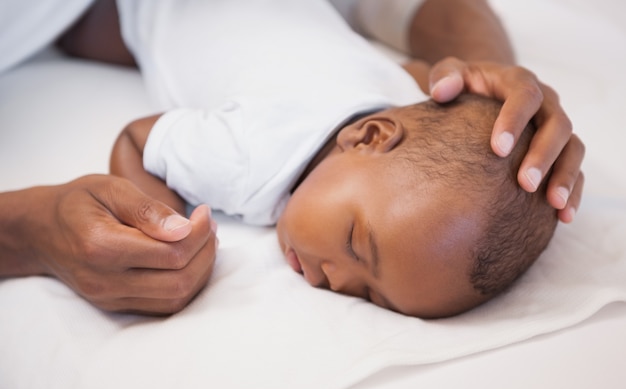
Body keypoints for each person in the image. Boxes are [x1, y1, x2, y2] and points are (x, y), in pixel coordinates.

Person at [0, 0, 584, 315]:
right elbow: (139, 140)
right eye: (356, 245)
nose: (336, 279)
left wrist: (492, 113)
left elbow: (449, 104)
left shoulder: (406, 96)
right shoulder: (254, 158)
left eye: (369, 296)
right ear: (370, 137)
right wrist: (158, 224)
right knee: (93, 31)